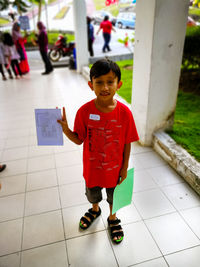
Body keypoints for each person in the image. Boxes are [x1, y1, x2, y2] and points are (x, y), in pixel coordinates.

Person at [57, 59, 139, 244]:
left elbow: (127, 143)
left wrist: (124, 168)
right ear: (90, 84)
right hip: (93, 169)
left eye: (110, 82)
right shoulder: (84, 112)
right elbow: (79, 140)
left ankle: (112, 217)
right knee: (93, 194)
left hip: (115, 170)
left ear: (119, 84)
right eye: (99, 82)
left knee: (113, 197)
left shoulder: (125, 113)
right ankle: (95, 210)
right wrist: (66, 130)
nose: (105, 87)